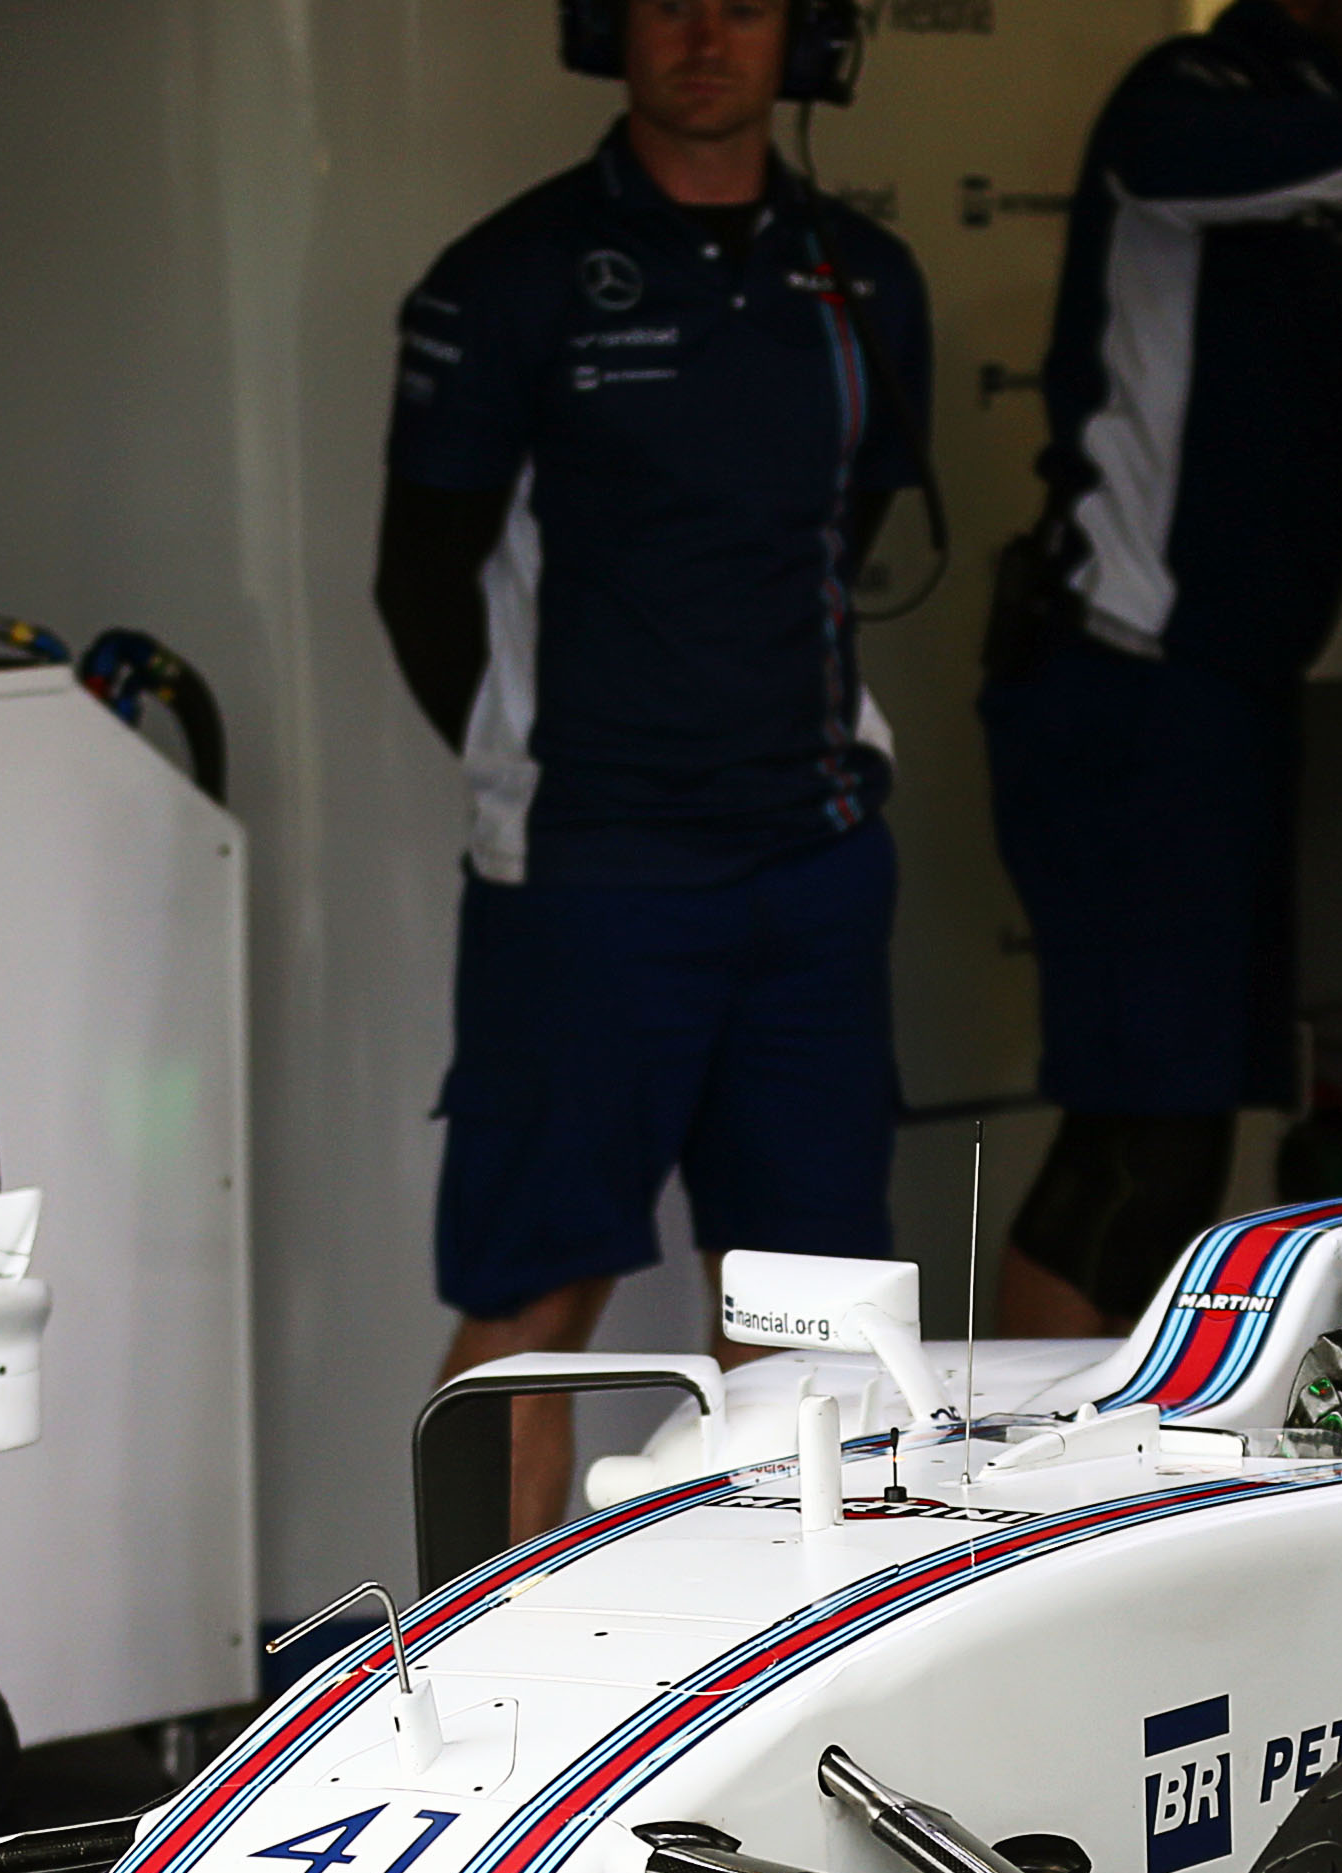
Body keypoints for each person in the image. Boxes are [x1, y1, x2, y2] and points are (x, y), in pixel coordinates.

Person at [377, 0, 933, 1535]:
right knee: (533, 1305)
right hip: (591, 877)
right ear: (604, 30)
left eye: (744, 1)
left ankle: (778, 1702)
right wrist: (571, 770)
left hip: (812, 870)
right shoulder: (509, 280)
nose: (704, 31)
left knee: (807, 1323)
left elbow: (842, 544)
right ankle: (481, 1721)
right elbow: (417, 584)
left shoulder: (862, 276)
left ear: (802, 36)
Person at [981, 0, 1342, 1343]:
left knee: (1189, 1149)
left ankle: (1120, 1472)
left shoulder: (1325, 174)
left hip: (1232, 703)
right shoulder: (1189, 97)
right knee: (1138, 1144)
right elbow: (1182, 162)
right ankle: (1017, 1505)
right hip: (1124, 682)